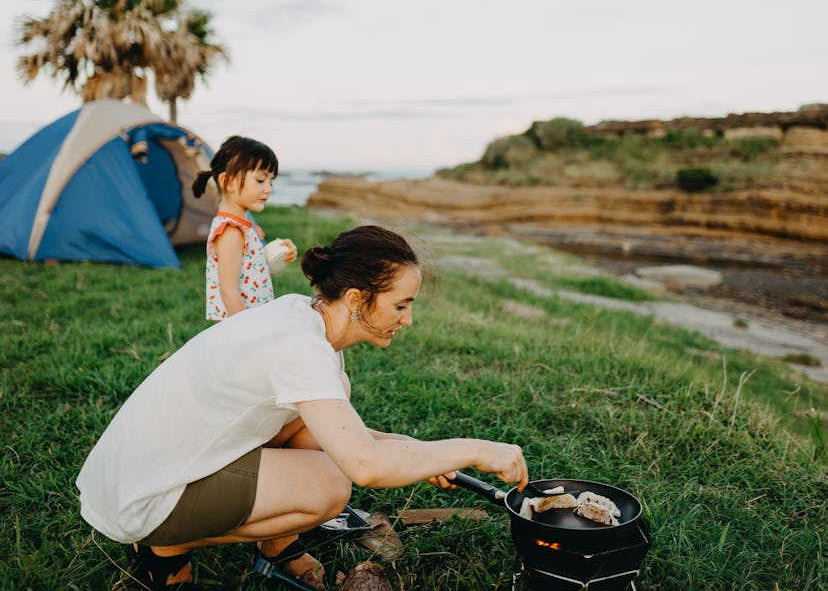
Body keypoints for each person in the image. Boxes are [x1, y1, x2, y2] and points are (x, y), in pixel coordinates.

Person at [75, 225, 528, 589]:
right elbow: (364, 463)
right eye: (401, 305)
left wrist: (422, 452)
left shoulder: (304, 317)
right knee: (330, 488)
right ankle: (162, 544)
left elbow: (339, 433)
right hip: (143, 495)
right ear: (356, 299)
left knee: (324, 431)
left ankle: (274, 550)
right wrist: (476, 449)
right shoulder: (302, 349)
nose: (408, 319)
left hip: (151, 467)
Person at [192, 135, 298, 321]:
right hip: (240, 327)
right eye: (260, 181)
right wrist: (249, 331)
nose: (268, 189)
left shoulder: (241, 227)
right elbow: (229, 291)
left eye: (270, 181)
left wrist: (276, 257)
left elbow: (249, 273)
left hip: (250, 321)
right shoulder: (230, 231)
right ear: (228, 182)